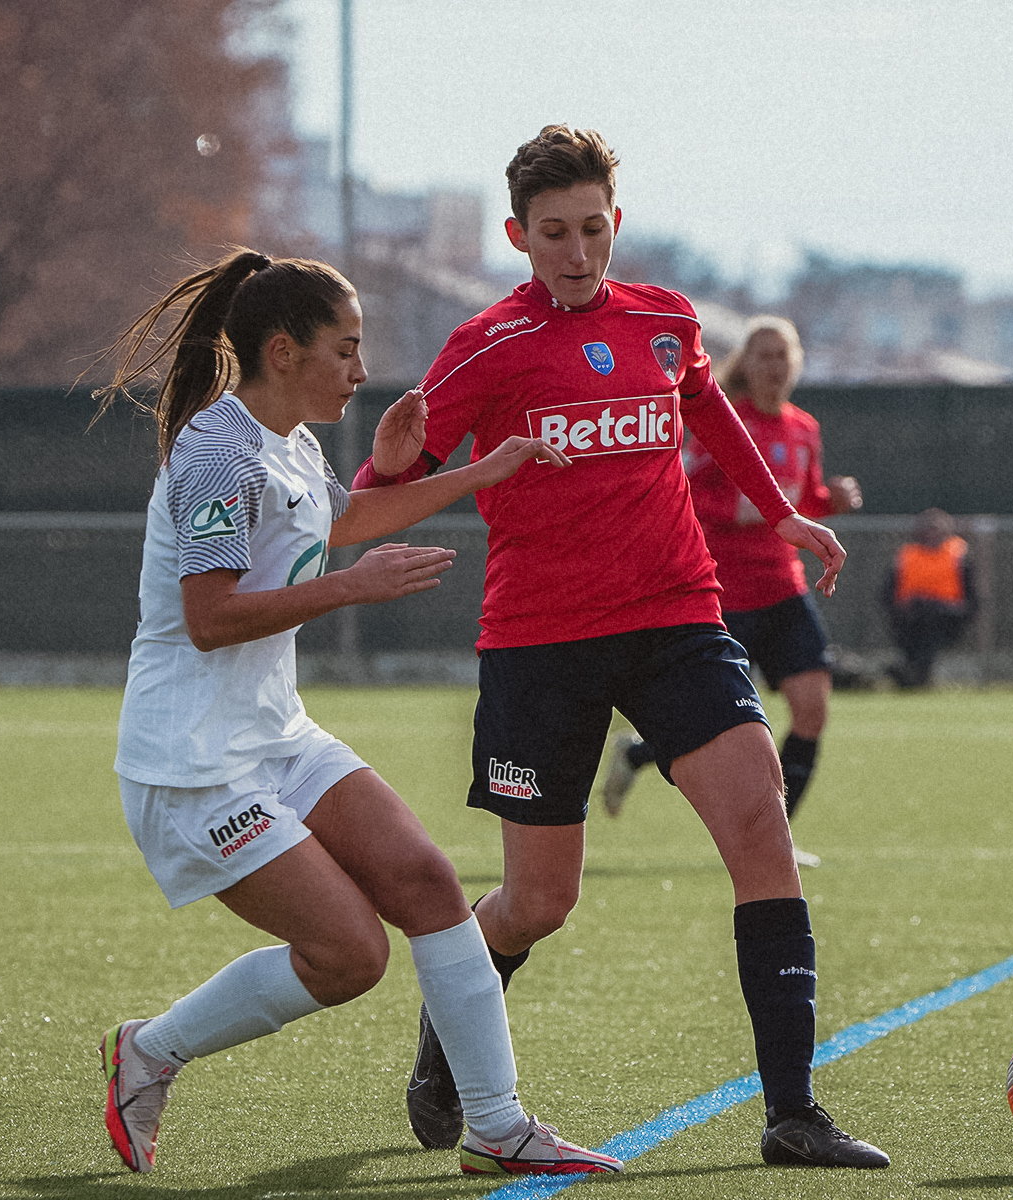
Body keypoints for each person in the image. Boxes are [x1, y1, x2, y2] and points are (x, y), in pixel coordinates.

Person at [354, 126, 889, 1171]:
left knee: (762, 829)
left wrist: (783, 512)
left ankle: (793, 1113)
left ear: (616, 222)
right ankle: (449, 1029)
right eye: (553, 232)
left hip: (677, 620)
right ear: (517, 235)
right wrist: (383, 471)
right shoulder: (485, 346)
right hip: (540, 643)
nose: (577, 250)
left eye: (592, 228)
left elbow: (709, 407)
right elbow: (389, 490)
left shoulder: (664, 319)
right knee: (539, 904)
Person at [93, 249, 620, 1178]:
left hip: (275, 734)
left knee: (429, 884)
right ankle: (151, 1050)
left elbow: (342, 523)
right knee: (349, 956)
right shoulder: (216, 452)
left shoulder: (290, 442)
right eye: (345, 348)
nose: (361, 369)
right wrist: (351, 589)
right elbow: (210, 619)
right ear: (283, 351)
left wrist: (481, 470)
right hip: (194, 763)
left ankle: (498, 1128)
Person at [599, 316, 862, 844]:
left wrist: (829, 501)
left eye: (782, 355)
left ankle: (776, 842)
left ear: (796, 364)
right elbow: (685, 490)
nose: (774, 365)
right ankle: (637, 754)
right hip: (724, 592)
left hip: (784, 588)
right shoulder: (725, 420)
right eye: (763, 355)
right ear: (746, 363)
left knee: (812, 710)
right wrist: (739, 509)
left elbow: (798, 503)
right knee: (713, 721)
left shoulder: (804, 428)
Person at [881, 507, 978, 688]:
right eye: (928, 529)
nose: (932, 535)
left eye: (937, 530)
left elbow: (971, 596)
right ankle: (910, 671)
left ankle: (917, 672)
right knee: (917, 620)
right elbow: (888, 592)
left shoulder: (958, 554)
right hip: (911, 615)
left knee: (930, 621)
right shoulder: (907, 555)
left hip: (946, 616)